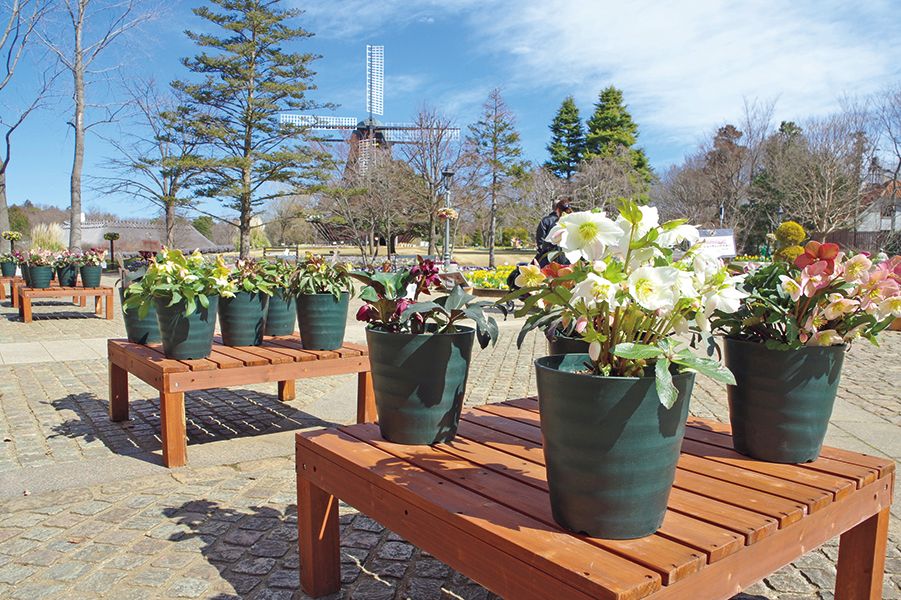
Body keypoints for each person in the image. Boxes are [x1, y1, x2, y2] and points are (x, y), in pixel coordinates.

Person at [534, 199, 572, 266]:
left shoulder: (546, 220)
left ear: (556, 209)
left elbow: (541, 241)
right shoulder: (573, 220)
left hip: (550, 258)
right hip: (569, 259)